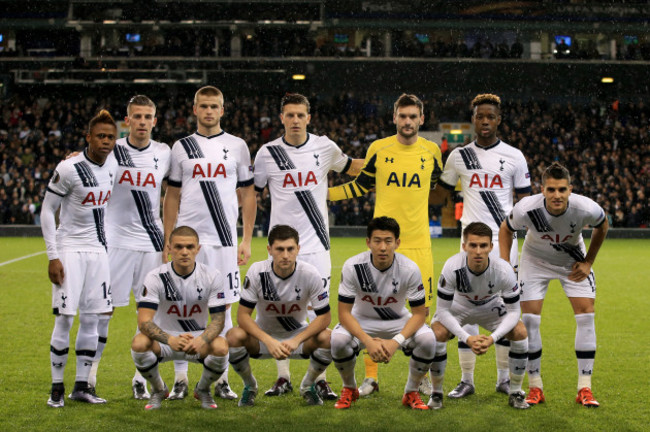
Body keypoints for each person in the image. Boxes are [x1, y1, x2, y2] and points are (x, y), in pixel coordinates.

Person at [329, 94, 443, 396]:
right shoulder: (379, 149)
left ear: (422, 118)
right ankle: (371, 377)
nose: (407, 121)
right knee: (370, 309)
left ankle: (421, 379)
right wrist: (324, 195)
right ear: (394, 118)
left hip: (419, 245)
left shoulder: (432, 152)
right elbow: (359, 186)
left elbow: (440, 186)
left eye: (413, 116)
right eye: (402, 116)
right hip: (383, 243)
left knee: (424, 314)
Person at [253, 92, 362, 399]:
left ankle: (320, 378)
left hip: (316, 246)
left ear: (309, 117)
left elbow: (352, 167)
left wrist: (389, 155)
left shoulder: (325, 147)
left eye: (301, 115)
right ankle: (283, 377)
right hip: (281, 245)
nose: (296, 120)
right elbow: (252, 191)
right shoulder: (267, 153)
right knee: (280, 310)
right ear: (281, 118)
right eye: (290, 115)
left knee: (318, 313)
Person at [429, 93, 531, 399]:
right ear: (473, 120)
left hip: (504, 244)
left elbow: (525, 204)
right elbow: (439, 196)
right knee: (467, 305)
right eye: (479, 117)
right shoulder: (459, 156)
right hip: (469, 243)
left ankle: (503, 380)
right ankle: (467, 379)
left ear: (498, 120)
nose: (485, 122)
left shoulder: (514, 156)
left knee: (503, 310)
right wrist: (424, 174)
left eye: (490, 117)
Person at [163, 85, 256, 400]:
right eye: (203, 106)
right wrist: (168, 239)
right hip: (189, 242)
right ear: (194, 109)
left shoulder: (238, 146)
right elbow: (172, 195)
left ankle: (222, 379)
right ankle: (180, 380)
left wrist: (245, 238)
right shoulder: (181, 147)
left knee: (225, 309)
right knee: (184, 307)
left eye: (214, 106)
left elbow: (247, 194)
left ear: (222, 109)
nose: (208, 111)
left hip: (225, 242)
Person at [499, 162, 608, 408]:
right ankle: (536, 387)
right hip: (535, 261)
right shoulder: (527, 208)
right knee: (530, 320)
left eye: (561, 189)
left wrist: (589, 261)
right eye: (551, 190)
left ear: (570, 189)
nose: (556, 195)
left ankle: (585, 388)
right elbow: (505, 229)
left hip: (572, 261)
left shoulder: (585, 207)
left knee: (586, 316)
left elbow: (603, 226)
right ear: (542, 189)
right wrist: (506, 265)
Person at [85, 95, 172, 400]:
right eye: (137, 116)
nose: (143, 122)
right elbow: (86, 163)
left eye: (148, 117)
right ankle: (89, 377)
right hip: (116, 244)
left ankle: (140, 377)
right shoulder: (113, 150)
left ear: (154, 121)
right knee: (102, 311)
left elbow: (175, 192)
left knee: (149, 315)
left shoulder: (165, 153)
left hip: (151, 244)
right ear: (128, 120)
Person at [41, 110, 118, 407]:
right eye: (100, 136)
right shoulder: (69, 167)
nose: (106, 141)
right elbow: (47, 210)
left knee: (93, 320)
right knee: (65, 319)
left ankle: (82, 387)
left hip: (99, 253)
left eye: (111, 137)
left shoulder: (112, 165)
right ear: (88, 137)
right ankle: (56, 389)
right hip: (70, 250)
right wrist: (53, 256)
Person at [330, 217, 436, 410]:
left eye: (388, 241)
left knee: (429, 340)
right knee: (337, 341)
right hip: (362, 320)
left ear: (397, 243)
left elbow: (420, 314)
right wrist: (368, 341)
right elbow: (344, 313)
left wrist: (396, 341)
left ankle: (411, 392)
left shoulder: (409, 268)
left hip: (397, 319)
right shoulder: (353, 266)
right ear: (368, 242)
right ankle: (349, 388)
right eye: (377, 241)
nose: (382, 247)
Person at [226, 225, 333, 407]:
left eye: (290, 249)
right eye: (279, 249)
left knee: (330, 338)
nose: (285, 255)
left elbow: (324, 317)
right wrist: (268, 341)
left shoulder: (310, 273)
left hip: (296, 337)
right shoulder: (258, 272)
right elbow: (242, 316)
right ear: (269, 250)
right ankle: (250, 386)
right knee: (233, 336)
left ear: (298, 249)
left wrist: (296, 340)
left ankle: (307, 386)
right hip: (263, 338)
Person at [429, 222, 529, 410]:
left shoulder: (503, 270)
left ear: (491, 247)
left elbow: (515, 311)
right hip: (460, 305)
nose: (478, 251)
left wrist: (493, 338)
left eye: (483, 245)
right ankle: (437, 394)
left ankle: (515, 392)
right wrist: (466, 337)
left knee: (520, 332)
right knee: (437, 333)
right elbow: (442, 311)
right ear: (464, 246)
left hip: (490, 305)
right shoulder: (452, 266)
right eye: (473, 245)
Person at [131, 226, 229, 410]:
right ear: (169, 248)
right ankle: (158, 389)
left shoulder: (212, 276)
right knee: (139, 343)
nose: (184, 252)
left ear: (198, 249)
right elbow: (144, 321)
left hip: (197, 339)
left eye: (190, 247)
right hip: (165, 340)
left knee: (221, 346)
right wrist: (170, 339)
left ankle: (203, 389)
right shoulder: (155, 277)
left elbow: (218, 320)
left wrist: (202, 339)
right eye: (178, 247)